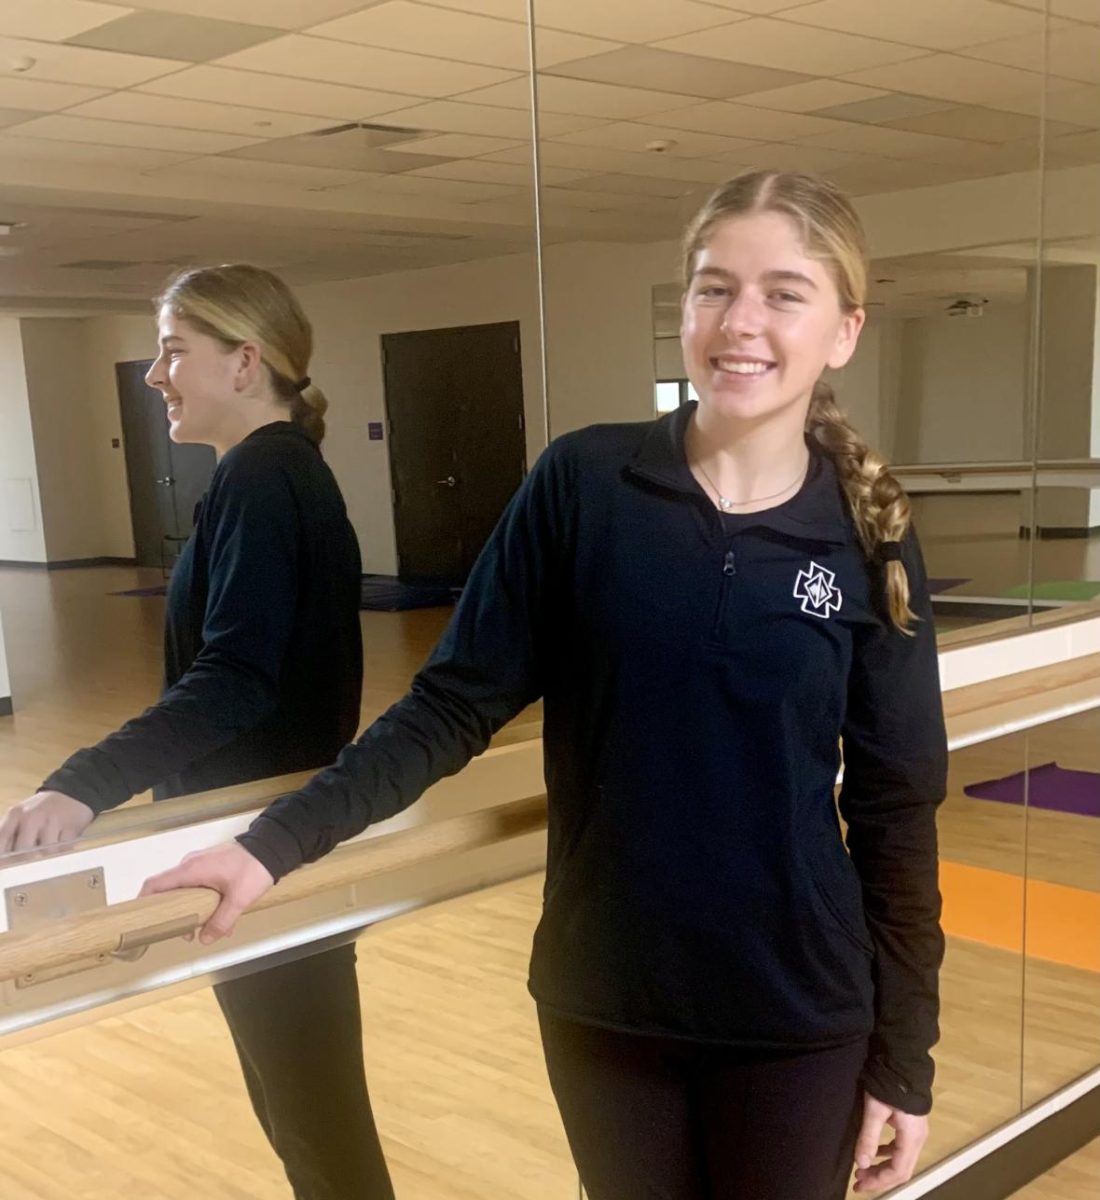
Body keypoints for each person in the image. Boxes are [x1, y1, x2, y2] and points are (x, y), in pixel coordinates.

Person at [143, 173, 947, 1200]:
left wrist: (904, 1059)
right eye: (713, 288)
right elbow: (450, 704)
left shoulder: (866, 529)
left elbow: (894, 807)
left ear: (842, 330)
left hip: (798, 1012)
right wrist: (274, 844)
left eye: (783, 293)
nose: (740, 322)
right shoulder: (585, 486)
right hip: (605, 998)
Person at [0, 265, 394, 1200]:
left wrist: (84, 782)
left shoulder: (265, 477)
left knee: (317, 1121)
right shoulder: (272, 474)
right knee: (307, 1114)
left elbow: (235, 682)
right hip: (264, 831)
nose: (154, 373)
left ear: (246, 362)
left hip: (264, 842)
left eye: (175, 350)